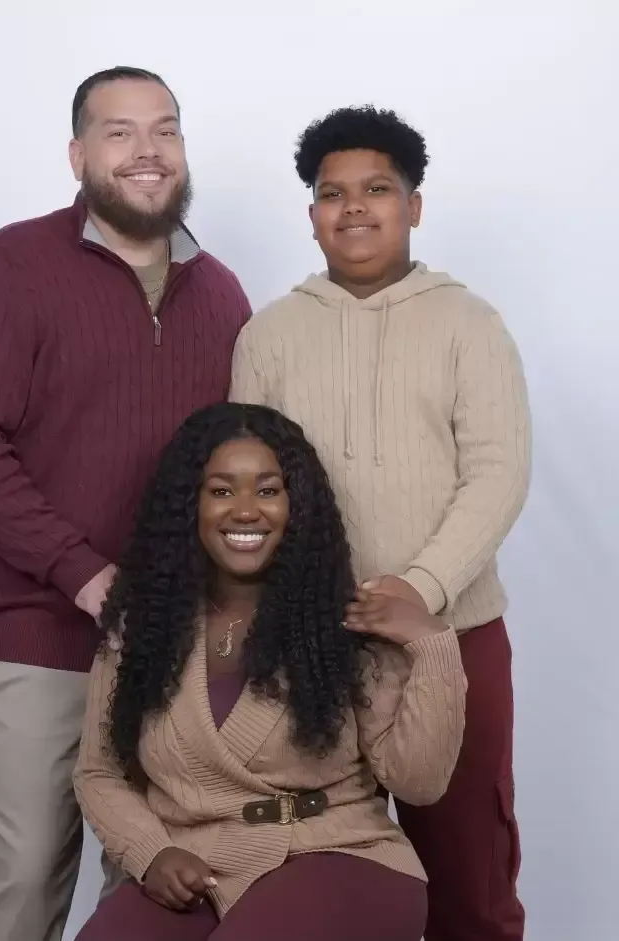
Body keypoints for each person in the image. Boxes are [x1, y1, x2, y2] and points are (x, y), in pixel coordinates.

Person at [0, 67, 251, 941]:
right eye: (120, 131)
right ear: (78, 154)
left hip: (174, 651)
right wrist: (81, 572)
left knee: (150, 891)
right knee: (25, 880)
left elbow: (247, 474)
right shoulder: (14, 265)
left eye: (166, 130)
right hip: (39, 638)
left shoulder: (221, 293)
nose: (147, 151)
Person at [229, 106, 531, 941]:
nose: (354, 208)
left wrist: (420, 589)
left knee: (469, 874)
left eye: (376, 190)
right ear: (312, 214)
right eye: (333, 193)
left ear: (414, 206)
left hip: (452, 637)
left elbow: (499, 473)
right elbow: (248, 486)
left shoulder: (470, 323)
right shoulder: (270, 333)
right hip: (309, 645)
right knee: (324, 876)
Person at [73, 402, 466, 941]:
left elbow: (418, 783)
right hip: (197, 865)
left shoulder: (343, 621)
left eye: (267, 490)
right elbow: (100, 772)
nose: (245, 511)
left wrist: (433, 643)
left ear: (295, 504)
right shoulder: (145, 624)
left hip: (340, 854)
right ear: (189, 504)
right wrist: (150, 852)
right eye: (221, 490)